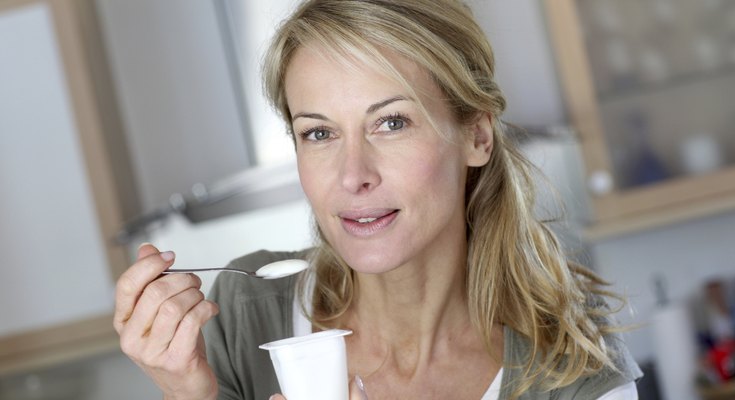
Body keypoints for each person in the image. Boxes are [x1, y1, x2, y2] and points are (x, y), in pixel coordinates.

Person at [113, 0, 643, 399]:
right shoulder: (238, 316)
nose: (352, 176)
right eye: (318, 133)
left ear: (477, 136)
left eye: (391, 123)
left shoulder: (575, 374)